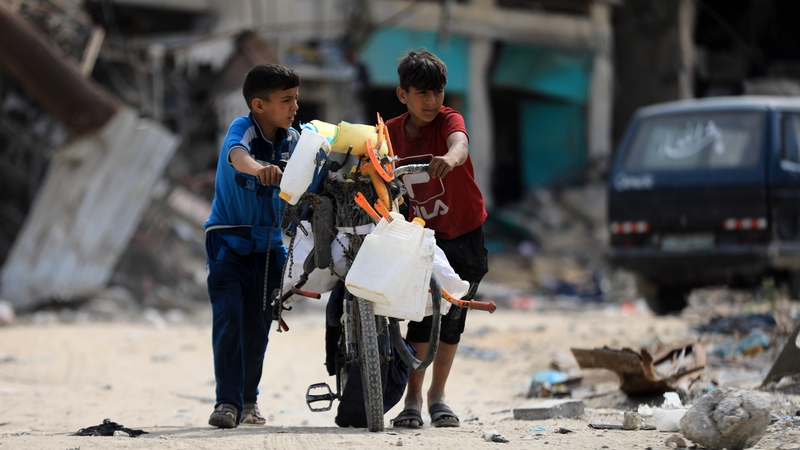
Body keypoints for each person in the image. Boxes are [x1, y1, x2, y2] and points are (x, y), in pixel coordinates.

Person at [385, 49, 489, 429]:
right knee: (421, 317)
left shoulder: (448, 120)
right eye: (422, 93)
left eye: (438, 92)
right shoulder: (389, 133)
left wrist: (450, 158)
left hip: (464, 230)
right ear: (403, 95)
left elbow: (459, 144)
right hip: (421, 237)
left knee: (453, 318)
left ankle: (437, 396)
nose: (431, 101)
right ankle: (412, 399)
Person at [204, 63, 300, 428]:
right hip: (228, 240)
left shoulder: (294, 140)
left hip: (270, 246)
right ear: (259, 104)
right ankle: (226, 403)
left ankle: (248, 402)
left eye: (295, 99)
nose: (294, 107)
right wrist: (260, 169)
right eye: (286, 100)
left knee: (258, 327)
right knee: (228, 317)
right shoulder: (242, 127)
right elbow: (237, 155)